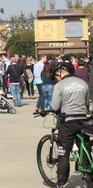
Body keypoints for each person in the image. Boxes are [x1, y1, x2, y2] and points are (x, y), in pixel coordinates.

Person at [52, 60, 89, 188]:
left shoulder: (59, 85)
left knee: (63, 153)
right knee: (85, 148)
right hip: (83, 120)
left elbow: (55, 106)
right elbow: (86, 103)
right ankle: (88, 173)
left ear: (60, 72)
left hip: (68, 121)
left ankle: (61, 183)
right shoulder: (83, 83)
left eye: (56, 75)